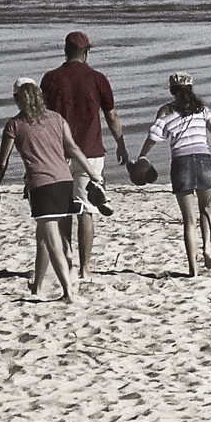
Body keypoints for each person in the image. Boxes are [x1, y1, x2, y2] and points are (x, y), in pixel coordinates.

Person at [0, 78, 104, 305]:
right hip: (64, 181)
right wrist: (92, 174)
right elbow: (72, 148)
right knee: (45, 236)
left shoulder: (14, 124)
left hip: (41, 185)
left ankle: (69, 292)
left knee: (51, 240)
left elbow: (2, 163)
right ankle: (38, 285)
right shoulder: (56, 119)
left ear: (16, 99)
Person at [40, 31, 128, 281]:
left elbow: (42, 116)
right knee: (86, 209)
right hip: (90, 153)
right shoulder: (98, 78)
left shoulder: (50, 78)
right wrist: (121, 144)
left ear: (65, 50)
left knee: (65, 208)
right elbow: (111, 116)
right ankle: (85, 267)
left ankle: (67, 257)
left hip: (57, 151)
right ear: (87, 51)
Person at [135, 73, 211, 277]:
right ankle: (207, 248)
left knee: (189, 220)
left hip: (181, 162)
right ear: (191, 87)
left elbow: (153, 136)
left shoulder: (166, 110)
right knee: (206, 209)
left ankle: (193, 269)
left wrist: (142, 156)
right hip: (204, 160)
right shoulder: (202, 109)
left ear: (172, 90)